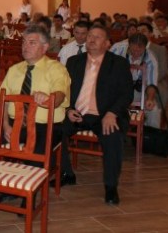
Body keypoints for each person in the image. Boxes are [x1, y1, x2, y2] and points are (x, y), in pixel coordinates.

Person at [55, 25, 132, 205]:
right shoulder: (74, 61)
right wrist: (68, 109)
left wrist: (112, 113)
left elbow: (126, 94)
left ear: (107, 43)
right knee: (54, 129)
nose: (91, 39)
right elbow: (65, 90)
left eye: (97, 37)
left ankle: (111, 186)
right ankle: (66, 173)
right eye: (90, 36)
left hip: (104, 114)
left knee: (112, 136)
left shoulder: (118, 63)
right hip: (77, 113)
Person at [0, 24, 70, 161]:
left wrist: (49, 98)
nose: (25, 46)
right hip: (14, 124)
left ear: (45, 47)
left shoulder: (56, 69)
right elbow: (2, 101)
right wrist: (6, 126)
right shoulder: (14, 70)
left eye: (32, 43)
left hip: (45, 127)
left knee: (34, 161)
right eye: (24, 42)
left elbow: (60, 96)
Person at [110, 33, 161, 127]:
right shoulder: (117, 49)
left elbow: (151, 84)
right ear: (128, 45)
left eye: (140, 50)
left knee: (153, 110)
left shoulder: (150, 58)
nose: (136, 53)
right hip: (116, 89)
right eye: (133, 50)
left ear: (145, 47)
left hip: (137, 91)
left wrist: (150, 99)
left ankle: (152, 133)